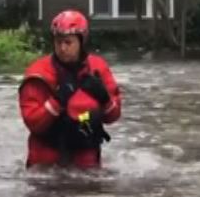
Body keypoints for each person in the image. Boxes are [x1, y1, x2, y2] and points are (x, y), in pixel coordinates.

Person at [18, 9, 122, 169]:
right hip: (47, 167)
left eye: (68, 42)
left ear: (81, 42)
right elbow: (33, 122)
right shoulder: (38, 74)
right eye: (58, 42)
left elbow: (113, 116)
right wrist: (58, 100)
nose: (62, 48)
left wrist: (104, 99)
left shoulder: (98, 68)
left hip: (87, 162)